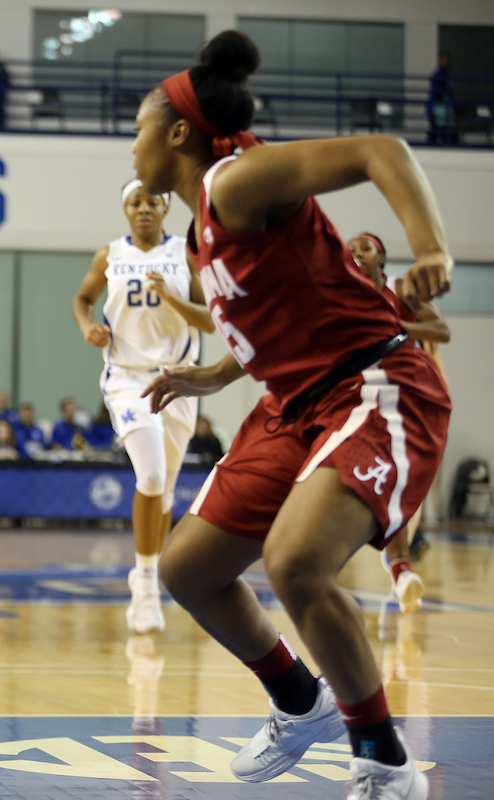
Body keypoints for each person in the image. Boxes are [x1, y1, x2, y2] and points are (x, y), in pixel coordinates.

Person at [136, 30, 450, 799]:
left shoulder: (236, 181)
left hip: (375, 387)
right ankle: (297, 701)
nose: (132, 139)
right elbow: (277, 321)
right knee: (188, 569)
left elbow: (385, 150)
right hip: (296, 405)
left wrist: (431, 248)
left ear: (179, 131)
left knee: (296, 563)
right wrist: (211, 376)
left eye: (141, 123)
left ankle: (383, 761)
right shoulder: (201, 225)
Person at [73, 179, 214, 634]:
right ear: (126, 209)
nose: (143, 208)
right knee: (150, 476)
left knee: (166, 491)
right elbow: (82, 299)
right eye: (135, 202)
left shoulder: (185, 254)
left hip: (178, 380)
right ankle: (147, 586)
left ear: (166, 206)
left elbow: (211, 320)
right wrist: (86, 327)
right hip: (128, 380)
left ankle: (146, 571)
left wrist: (172, 296)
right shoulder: (110, 255)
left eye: (152, 201)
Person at [349, 231, 451, 614]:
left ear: (382, 257)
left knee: (399, 484)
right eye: (350, 249)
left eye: (365, 247)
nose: (357, 253)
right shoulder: (341, 297)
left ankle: (401, 568)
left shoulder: (402, 290)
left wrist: (398, 330)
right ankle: (398, 566)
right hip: (358, 400)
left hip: (407, 399)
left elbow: (441, 331)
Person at [427, 52, 457, 145]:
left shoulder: (445, 74)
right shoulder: (438, 75)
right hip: (438, 107)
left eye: (448, 61)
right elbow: (436, 91)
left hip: (444, 108)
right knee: (437, 130)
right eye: (444, 60)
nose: (446, 62)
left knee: (445, 131)